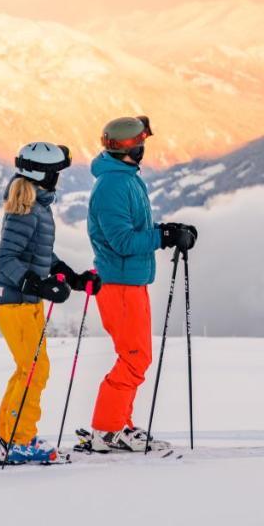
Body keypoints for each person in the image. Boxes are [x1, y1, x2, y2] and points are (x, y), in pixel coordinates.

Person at [87, 116, 197, 452]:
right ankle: (107, 429)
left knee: (136, 356)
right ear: (128, 147)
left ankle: (119, 425)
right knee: (134, 358)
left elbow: (135, 229)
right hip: (119, 285)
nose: (144, 148)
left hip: (131, 282)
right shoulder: (112, 186)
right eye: (140, 142)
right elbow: (122, 241)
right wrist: (162, 236)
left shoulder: (126, 179)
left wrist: (167, 229)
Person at [0, 141, 101, 464]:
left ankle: (10, 436)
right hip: (15, 301)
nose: (59, 179)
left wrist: (72, 278)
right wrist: (36, 283)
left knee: (30, 369)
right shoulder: (25, 210)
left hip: (25, 299)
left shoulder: (36, 206)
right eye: (56, 173)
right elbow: (5, 258)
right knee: (34, 371)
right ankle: (18, 441)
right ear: (44, 175)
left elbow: (40, 256)